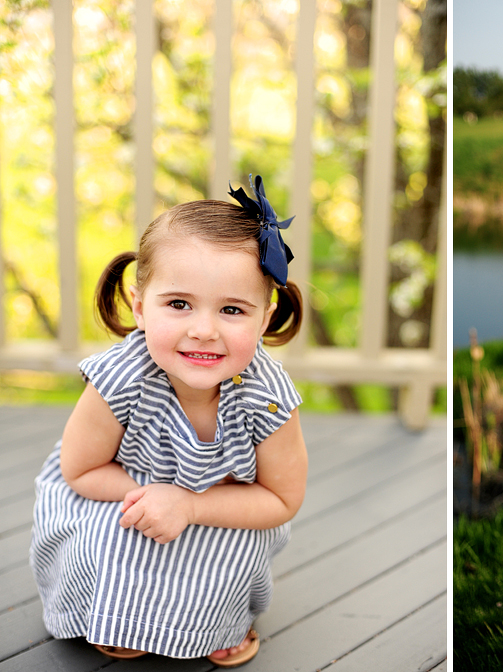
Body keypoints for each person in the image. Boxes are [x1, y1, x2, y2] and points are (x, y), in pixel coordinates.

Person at [30, 175, 309, 667]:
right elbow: (79, 471)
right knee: (114, 536)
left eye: (232, 309)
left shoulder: (267, 399)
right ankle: (120, 614)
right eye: (178, 304)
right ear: (141, 307)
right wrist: (151, 498)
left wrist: (191, 504)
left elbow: (281, 498)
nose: (203, 330)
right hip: (116, 494)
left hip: (225, 506)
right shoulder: (121, 378)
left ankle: (221, 621)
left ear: (264, 319)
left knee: (228, 546)